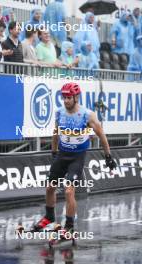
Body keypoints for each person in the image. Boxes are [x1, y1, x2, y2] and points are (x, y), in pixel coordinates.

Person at [31, 82, 117, 237]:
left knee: (69, 191)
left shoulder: (87, 115)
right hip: (62, 154)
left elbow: (102, 136)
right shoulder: (59, 112)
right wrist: (53, 151)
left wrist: (108, 157)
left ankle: (69, 226)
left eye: (69, 97)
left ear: (76, 97)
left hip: (77, 157)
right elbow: (56, 132)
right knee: (50, 187)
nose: (66, 100)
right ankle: (49, 217)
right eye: (64, 97)